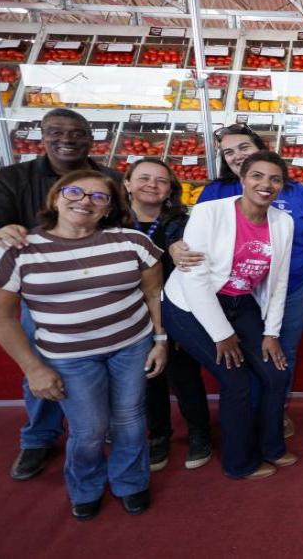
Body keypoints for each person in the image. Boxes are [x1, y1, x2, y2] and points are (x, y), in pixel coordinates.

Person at [0, 170, 167, 520]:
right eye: (76, 192)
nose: (85, 201)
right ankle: (86, 485)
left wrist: (159, 340)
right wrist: (34, 369)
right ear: (55, 198)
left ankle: (131, 481)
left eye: (99, 197)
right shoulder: (17, 250)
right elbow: (0, 318)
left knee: (129, 419)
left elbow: (153, 293)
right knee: (89, 428)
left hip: (131, 346)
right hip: (69, 357)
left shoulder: (132, 242)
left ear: (109, 209)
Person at [0, 108, 121, 481]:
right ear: (41, 135)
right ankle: (39, 437)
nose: (65, 139)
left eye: (75, 133)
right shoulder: (11, 178)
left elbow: (120, 229)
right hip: (44, 296)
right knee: (42, 366)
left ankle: (105, 428)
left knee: (107, 363)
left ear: (90, 138)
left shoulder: (111, 179)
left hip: (100, 288)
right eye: (55, 132)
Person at [171, 124, 303, 439]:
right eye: (228, 152)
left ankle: (273, 413)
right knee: (239, 364)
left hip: (289, 285)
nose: (236, 155)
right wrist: (176, 243)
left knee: (279, 354)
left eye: (243, 147)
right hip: (231, 293)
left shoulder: (298, 193)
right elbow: (192, 235)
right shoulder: (215, 193)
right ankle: (246, 416)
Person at [163, 151, 296, 480]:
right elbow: (194, 278)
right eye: (257, 176)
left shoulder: (284, 222)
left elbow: (278, 281)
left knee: (276, 373)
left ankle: (271, 447)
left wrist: (271, 334)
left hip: (240, 301)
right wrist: (222, 335)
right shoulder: (210, 212)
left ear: (282, 186)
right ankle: (239, 463)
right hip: (189, 306)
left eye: (275, 179)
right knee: (237, 381)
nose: (266, 184)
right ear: (243, 178)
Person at [123, 158, 211, 471]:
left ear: (170, 189)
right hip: (129, 312)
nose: (152, 185)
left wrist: (178, 247)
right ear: (128, 183)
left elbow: (194, 260)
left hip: (174, 308)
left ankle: (200, 432)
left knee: (183, 373)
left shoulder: (181, 222)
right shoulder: (111, 221)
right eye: (144, 178)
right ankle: (158, 433)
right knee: (148, 377)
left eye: (161, 181)